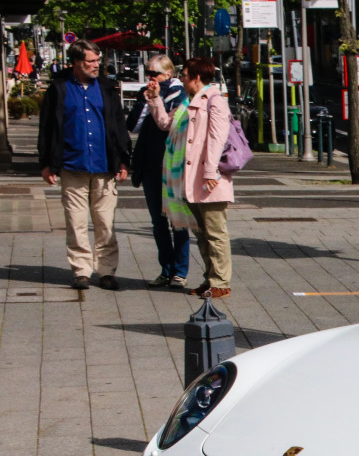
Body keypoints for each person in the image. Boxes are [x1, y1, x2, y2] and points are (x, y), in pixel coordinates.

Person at [37, 39, 132, 291]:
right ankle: (81, 270)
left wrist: (123, 159)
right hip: (72, 165)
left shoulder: (107, 87)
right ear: (77, 62)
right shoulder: (60, 88)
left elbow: (118, 125)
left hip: (104, 165)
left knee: (105, 222)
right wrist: (46, 163)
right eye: (91, 61)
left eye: (98, 61)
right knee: (76, 221)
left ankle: (106, 271)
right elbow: (47, 126)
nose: (96, 66)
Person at [146, 57, 234, 299]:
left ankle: (221, 282)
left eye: (184, 74)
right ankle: (210, 279)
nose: (181, 78)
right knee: (202, 233)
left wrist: (210, 172)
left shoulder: (215, 101)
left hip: (209, 179)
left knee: (215, 232)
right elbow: (165, 124)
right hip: (190, 180)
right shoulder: (187, 103)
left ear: (196, 76)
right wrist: (154, 99)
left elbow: (217, 138)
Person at [126, 55, 189, 289]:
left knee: (178, 221)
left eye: (155, 74)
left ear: (168, 75)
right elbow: (133, 125)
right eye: (148, 74)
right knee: (158, 222)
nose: (150, 79)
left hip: (173, 166)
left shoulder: (180, 96)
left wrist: (157, 98)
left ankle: (179, 272)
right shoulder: (147, 93)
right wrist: (146, 100)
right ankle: (166, 269)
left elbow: (168, 125)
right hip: (151, 164)